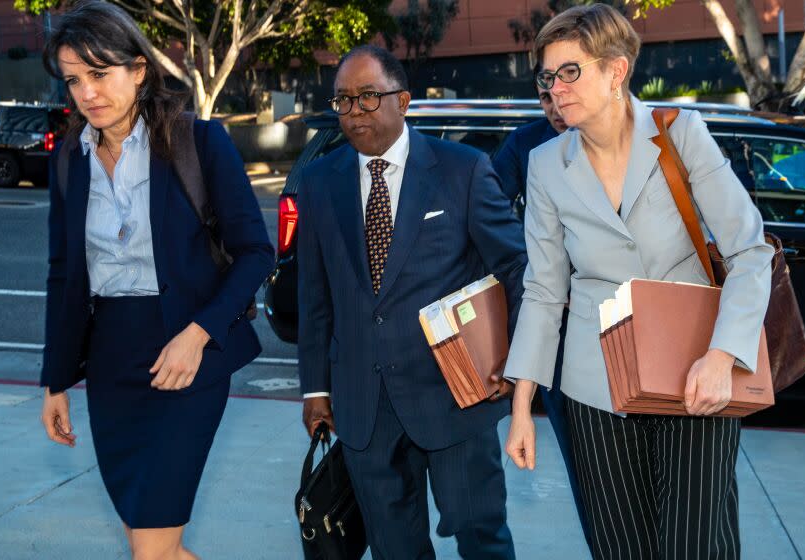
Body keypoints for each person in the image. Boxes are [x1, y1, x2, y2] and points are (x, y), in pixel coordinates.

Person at [503, 5, 773, 559]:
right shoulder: (546, 164)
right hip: (594, 386)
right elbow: (545, 291)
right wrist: (523, 406)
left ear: (616, 70)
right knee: (621, 546)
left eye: (571, 71)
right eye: (548, 77)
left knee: (696, 543)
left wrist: (723, 356)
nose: (556, 89)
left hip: (697, 371)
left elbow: (749, 250)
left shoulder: (681, 135)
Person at [38, 3, 273, 559]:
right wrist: (54, 381)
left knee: (152, 549)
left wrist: (198, 334)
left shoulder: (199, 143)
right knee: (154, 546)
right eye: (74, 80)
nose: (87, 92)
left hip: (187, 356)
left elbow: (256, 252)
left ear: (138, 69)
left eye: (99, 73)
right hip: (111, 363)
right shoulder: (71, 158)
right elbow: (64, 274)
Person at [297, 45, 527, 559]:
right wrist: (315, 388)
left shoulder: (463, 170)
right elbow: (315, 296)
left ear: (403, 100)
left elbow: (514, 268)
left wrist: (515, 361)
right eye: (343, 101)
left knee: (481, 535)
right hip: (364, 406)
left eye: (368, 97)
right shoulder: (318, 182)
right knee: (394, 548)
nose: (354, 112)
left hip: (459, 394)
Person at [492, 63, 592, 550]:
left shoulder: (613, 138)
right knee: (583, 456)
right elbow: (489, 211)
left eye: (561, 95)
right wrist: (540, 259)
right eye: (544, 99)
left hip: (623, 317)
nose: (554, 109)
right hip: (555, 325)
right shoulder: (526, 145)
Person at [493, 64, 565, 210]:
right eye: (547, 98)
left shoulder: (607, 136)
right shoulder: (523, 141)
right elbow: (493, 208)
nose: (557, 108)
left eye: (562, 95)